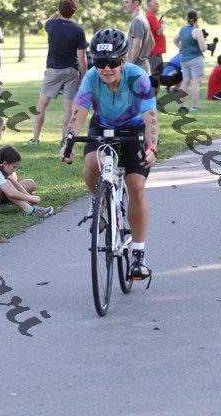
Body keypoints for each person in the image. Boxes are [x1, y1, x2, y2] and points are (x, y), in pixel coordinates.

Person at [60, 28, 158, 283]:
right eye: (100, 62)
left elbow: (151, 117)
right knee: (92, 162)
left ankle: (138, 255)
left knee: (136, 186)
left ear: (123, 61)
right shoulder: (91, 77)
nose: (106, 68)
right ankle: (100, 204)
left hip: (135, 129)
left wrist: (151, 147)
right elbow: (78, 113)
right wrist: (68, 142)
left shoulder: (138, 77)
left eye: (112, 62)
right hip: (103, 126)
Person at [23, 0, 88, 148]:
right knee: (68, 107)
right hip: (71, 71)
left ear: (59, 9)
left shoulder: (51, 25)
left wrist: (58, 12)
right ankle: (64, 139)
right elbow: (82, 57)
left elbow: (48, 20)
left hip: (53, 71)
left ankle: (35, 138)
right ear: (75, 10)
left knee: (42, 104)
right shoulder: (78, 30)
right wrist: (84, 76)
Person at [0, 145, 53, 217]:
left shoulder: (1, 169)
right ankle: (30, 210)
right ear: (5, 164)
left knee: (8, 183)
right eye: (14, 167)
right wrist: (31, 198)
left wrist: (29, 198)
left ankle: (29, 207)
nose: (15, 170)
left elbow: (16, 184)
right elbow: (11, 193)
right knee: (6, 186)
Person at [173, 10, 207, 112]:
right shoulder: (197, 31)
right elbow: (203, 48)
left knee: (185, 82)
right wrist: (204, 41)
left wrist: (183, 48)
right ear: (197, 19)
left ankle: (181, 106)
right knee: (196, 83)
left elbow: (175, 41)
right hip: (196, 59)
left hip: (184, 60)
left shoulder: (182, 29)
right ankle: (194, 107)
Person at [124, 0, 154, 75]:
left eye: (127, 2)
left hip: (137, 68)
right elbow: (152, 43)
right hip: (144, 66)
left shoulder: (137, 20)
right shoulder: (143, 18)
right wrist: (143, 56)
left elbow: (137, 46)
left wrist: (129, 66)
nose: (124, 5)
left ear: (136, 3)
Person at [145, 0, 166, 91]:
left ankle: (151, 96)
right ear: (149, 5)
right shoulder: (151, 16)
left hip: (152, 51)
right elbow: (159, 32)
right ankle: (152, 97)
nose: (158, 5)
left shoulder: (148, 16)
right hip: (155, 52)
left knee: (154, 74)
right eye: (156, 3)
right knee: (156, 75)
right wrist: (162, 24)